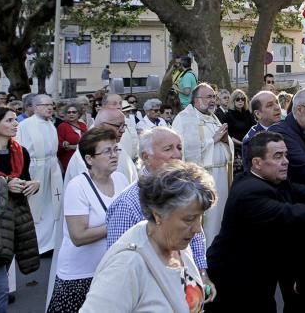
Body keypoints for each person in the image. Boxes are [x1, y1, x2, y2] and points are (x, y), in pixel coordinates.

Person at [207, 132, 305, 312]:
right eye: (277, 156)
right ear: (257, 163)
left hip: (257, 272)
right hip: (233, 277)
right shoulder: (249, 191)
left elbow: (300, 190)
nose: (285, 161)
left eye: (286, 155)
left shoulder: (264, 178)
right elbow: (289, 214)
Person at [82, 161, 216, 313]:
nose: (198, 229)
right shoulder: (126, 265)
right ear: (158, 215)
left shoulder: (178, 246)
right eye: (189, 219)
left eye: (200, 217)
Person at [105, 127, 213, 297]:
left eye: (179, 148)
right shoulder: (128, 203)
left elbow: (196, 237)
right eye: (168, 149)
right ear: (145, 157)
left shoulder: (186, 190)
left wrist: (202, 274)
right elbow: (118, 265)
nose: (177, 155)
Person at [48, 126, 129, 312]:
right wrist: (117, 225)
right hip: (80, 275)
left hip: (111, 269)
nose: (114, 155)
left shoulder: (121, 179)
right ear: (89, 159)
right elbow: (78, 236)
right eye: (107, 151)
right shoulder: (78, 186)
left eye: (115, 149)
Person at [0, 108, 41, 313]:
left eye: (16, 119)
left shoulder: (20, 151)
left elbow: (23, 177)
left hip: (14, 218)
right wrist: (6, 183)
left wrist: (33, 184)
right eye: (10, 120)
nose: (16, 124)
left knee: (1, 273)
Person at [173, 83, 232, 244]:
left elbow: (225, 145)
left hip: (221, 176)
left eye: (214, 96)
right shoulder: (184, 118)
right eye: (209, 97)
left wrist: (227, 141)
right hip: (202, 178)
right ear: (196, 99)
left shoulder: (214, 118)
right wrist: (212, 140)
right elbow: (182, 149)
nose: (213, 100)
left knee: (220, 219)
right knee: (206, 220)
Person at [15, 93, 63, 253]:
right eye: (45, 105)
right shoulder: (25, 125)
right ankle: (36, 244)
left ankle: (49, 243)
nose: (50, 108)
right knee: (36, 208)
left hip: (51, 169)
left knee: (52, 205)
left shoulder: (51, 124)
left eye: (51, 104)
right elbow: (19, 148)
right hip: (35, 169)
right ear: (36, 107)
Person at [241, 90, 282, 172]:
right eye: (270, 105)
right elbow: (251, 174)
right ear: (258, 114)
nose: (277, 107)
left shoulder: (287, 128)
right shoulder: (250, 140)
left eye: (277, 102)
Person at [223, 90, 254, 174]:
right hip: (236, 148)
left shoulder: (248, 114)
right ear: (233, 101)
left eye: (243, 99)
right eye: (237, 99)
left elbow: (253, 128)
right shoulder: (228, 115)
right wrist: (242, 143)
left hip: (250, 146)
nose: (240, 101)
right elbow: (228, 135)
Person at [56, 105, 87, 175]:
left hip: (83, 159)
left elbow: (88, 140)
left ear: (78, 114)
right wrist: (65, 144)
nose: (71, 114)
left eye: (74, 112)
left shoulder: (82, 125)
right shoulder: (62, 126)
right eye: (68, 112)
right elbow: (59, 143)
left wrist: (74, 146)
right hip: (69, 160)